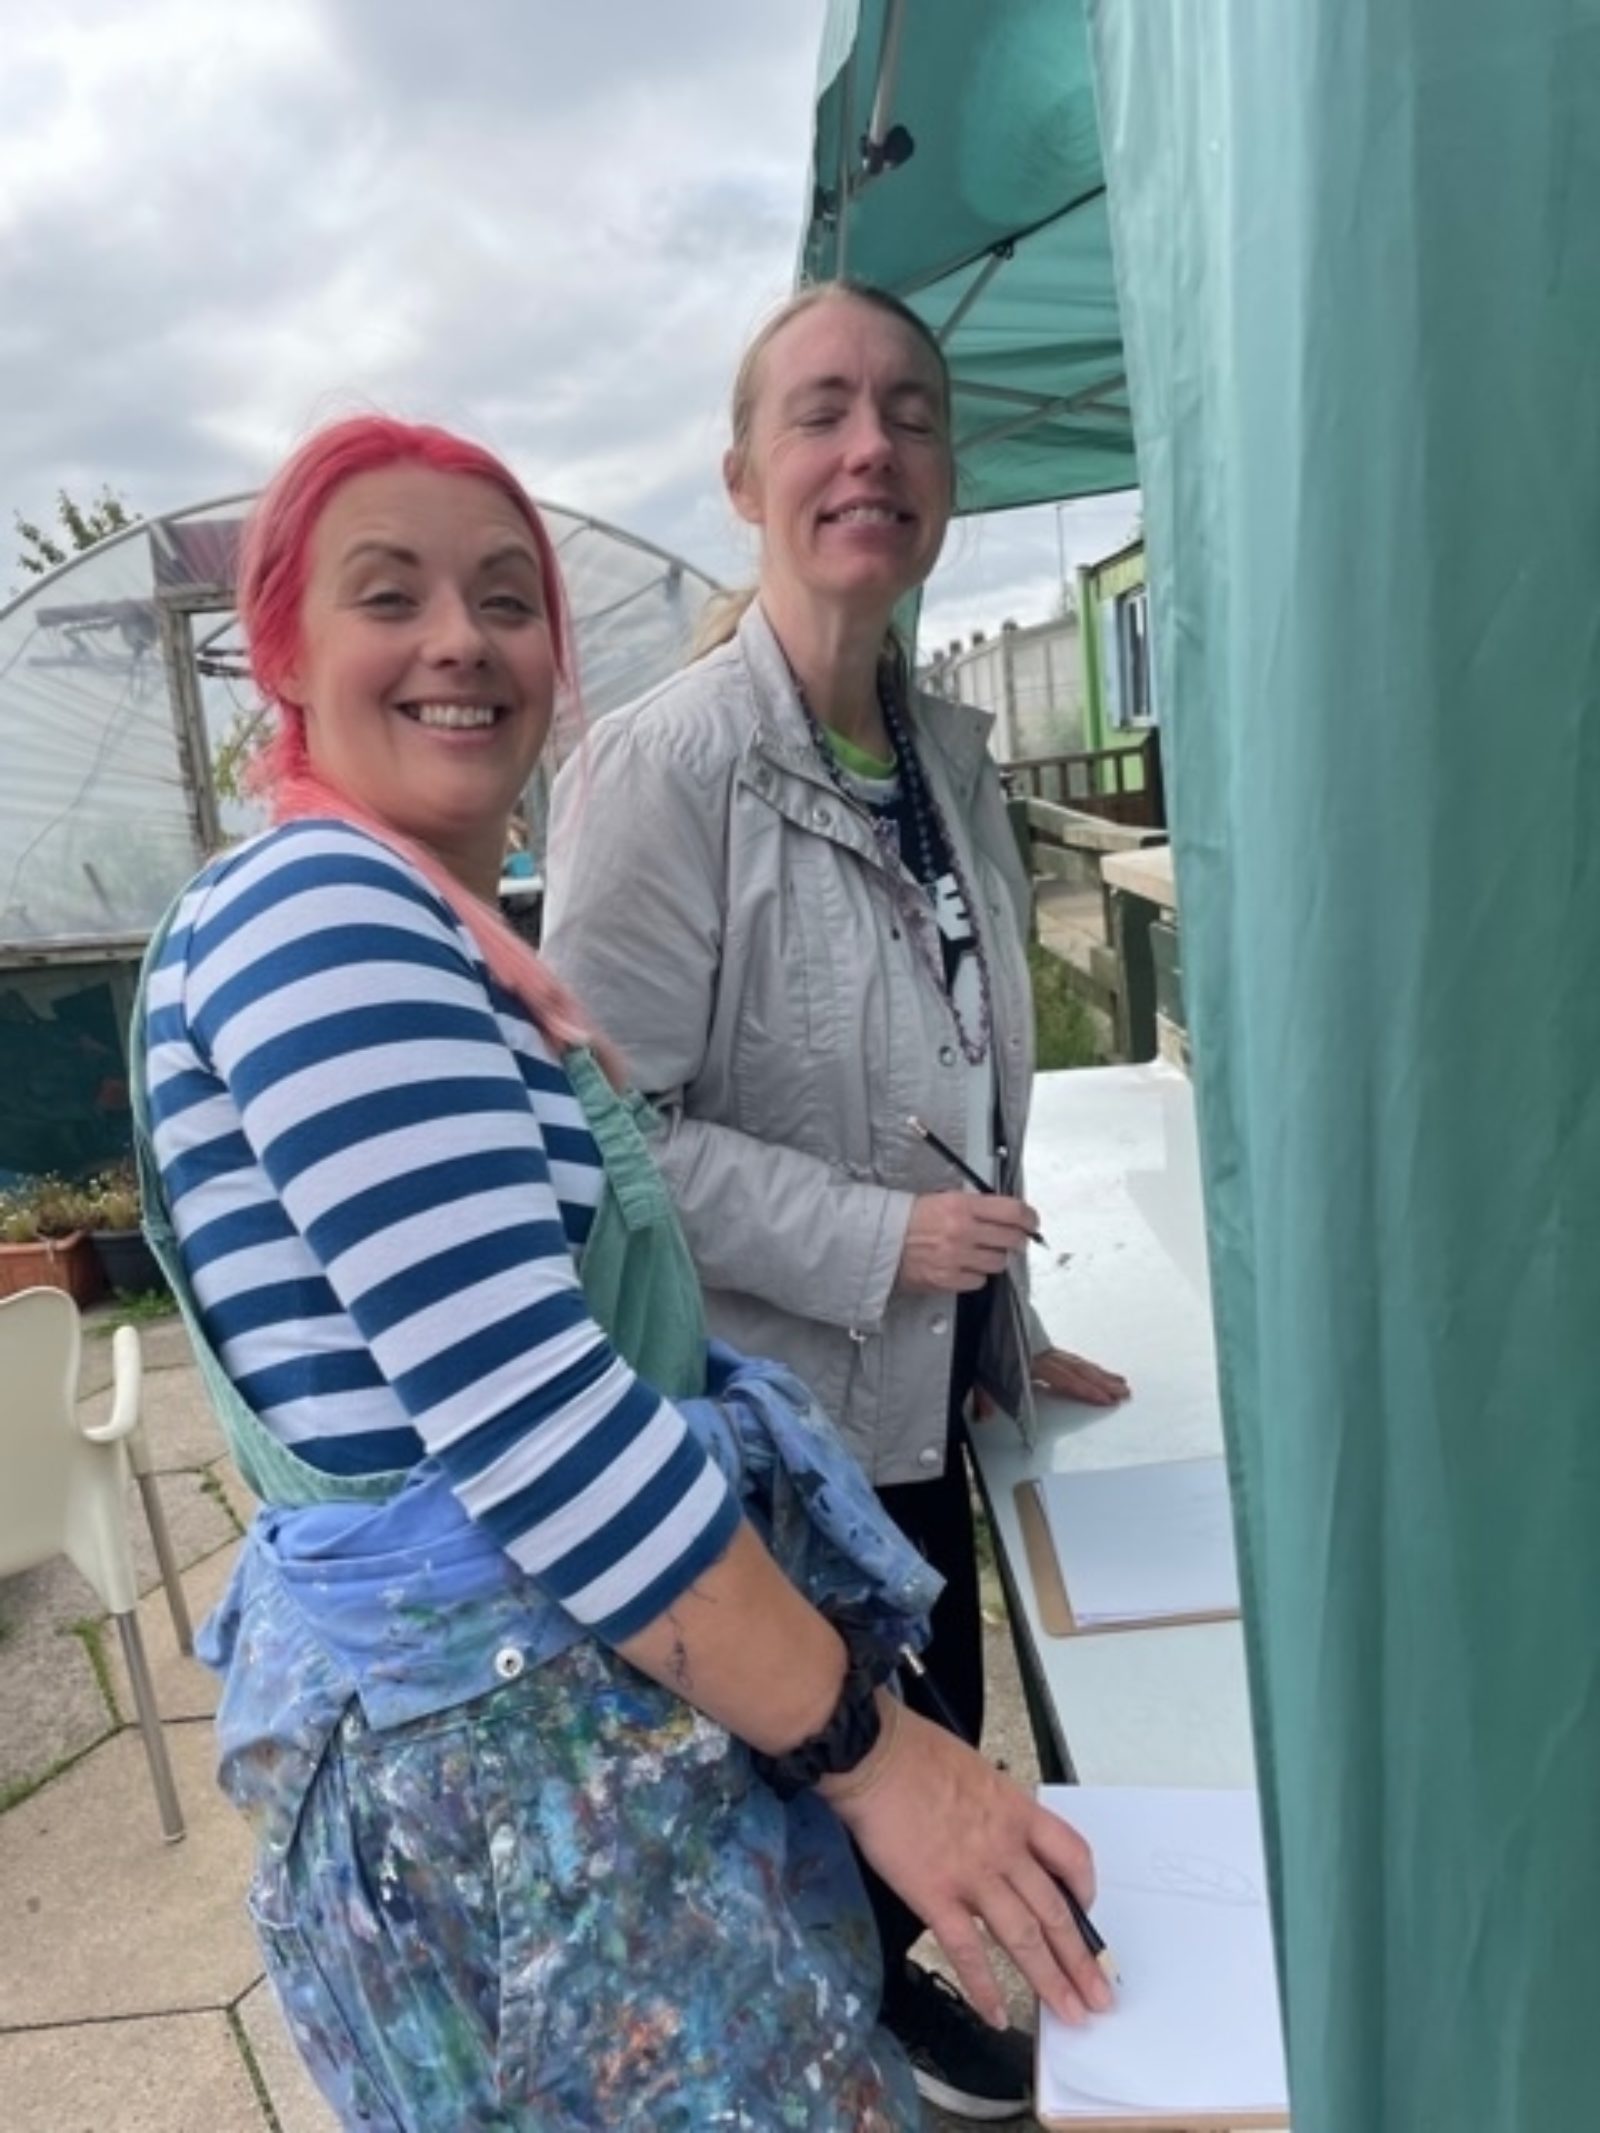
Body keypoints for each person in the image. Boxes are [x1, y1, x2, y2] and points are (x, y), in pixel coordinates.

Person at [131, 414, 1114, 2132]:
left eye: (508, 599)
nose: (462, 637)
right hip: (519, 1799)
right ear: (280, 648)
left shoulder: (435, 927)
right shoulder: (321, 920)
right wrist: (879, 1754)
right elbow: (548, 1433)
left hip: (575, 1743)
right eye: (393, 593)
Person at [541, 284, 1130, 2123]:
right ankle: (858, 2037)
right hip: (770, 1416)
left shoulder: (946, 757)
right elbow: (609, 1143)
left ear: (945, 477)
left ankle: (905, 2009)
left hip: (918, 1384)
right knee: (819, 1764)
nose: (870, 443)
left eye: (910, 412)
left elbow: (954, 1083)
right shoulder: (661, 773)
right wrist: (882, 1246)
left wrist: (1001, 1322)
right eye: (822, 413)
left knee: (931, 1706)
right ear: (745, 473)